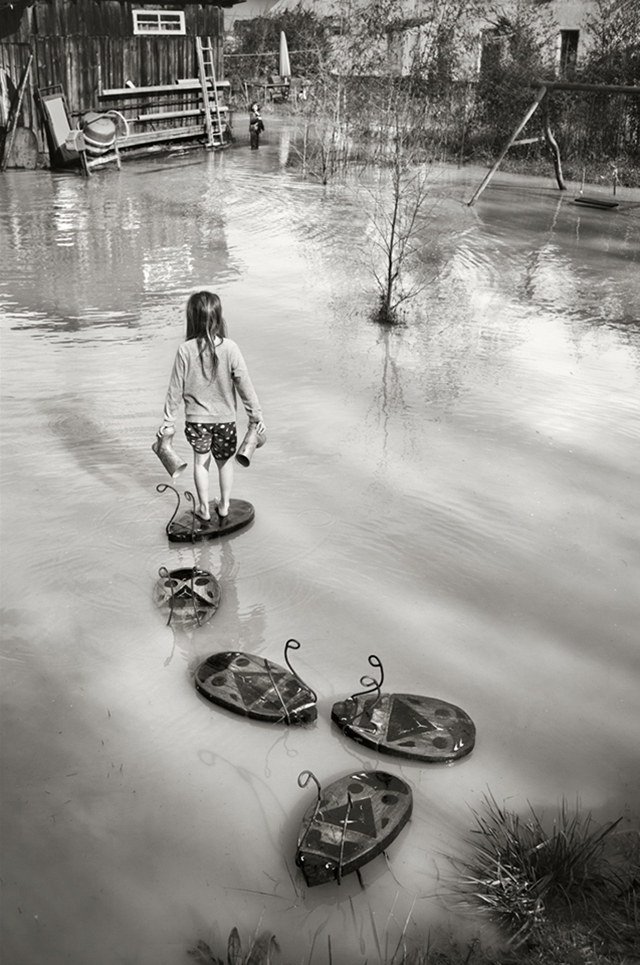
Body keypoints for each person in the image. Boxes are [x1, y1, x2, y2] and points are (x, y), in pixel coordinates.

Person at [158, 291, 265, 524]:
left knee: (200, 462)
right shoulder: (231, 348)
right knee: (224, 462)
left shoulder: (185, 350)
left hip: (196, 421)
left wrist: (168, 423)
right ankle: (225, 506)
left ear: (192, 319)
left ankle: (204, 510)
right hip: (225, 421)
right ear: (218, 318)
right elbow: (245, 385)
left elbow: (174, 390)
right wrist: (256, 417)